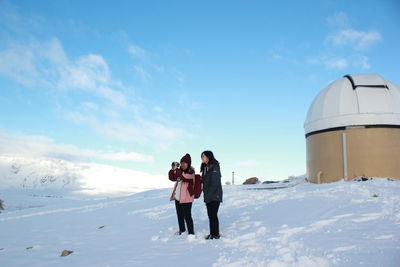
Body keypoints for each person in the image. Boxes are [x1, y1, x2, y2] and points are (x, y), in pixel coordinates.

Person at [168, 153, 195, 235]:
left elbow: (184, 177)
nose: (183, 164)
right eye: (182, 163)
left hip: (186, 199)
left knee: (187, 216)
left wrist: (177, 169)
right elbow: (172, 178)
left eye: (185, 163)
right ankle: (182, 230)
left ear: (188, 164)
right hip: (178, 198)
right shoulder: (180, 172)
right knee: (180, 215)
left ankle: (191, 233)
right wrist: (173, 169)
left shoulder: (191, 172)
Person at [200, 150, 223, 239]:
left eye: (203, 156)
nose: (202, 158)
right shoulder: (205, 168)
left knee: (213, 215)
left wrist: (209, 194)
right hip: (208, 195)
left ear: (209, 157)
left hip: (214, 195)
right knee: (211, 215)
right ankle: (212, 233)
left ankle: (215, 234)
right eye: (201, 156)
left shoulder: (214, 166)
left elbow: (215, 182)